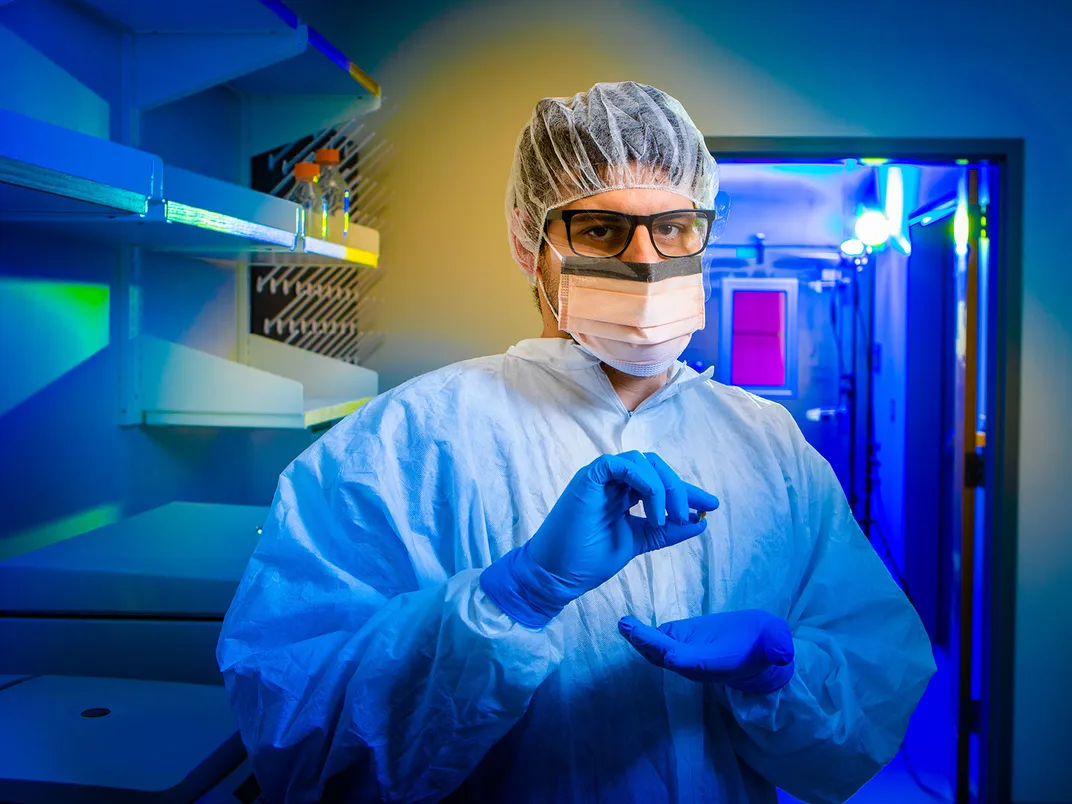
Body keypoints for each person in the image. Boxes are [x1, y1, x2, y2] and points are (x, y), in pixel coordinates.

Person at [217, 81, 936, 804]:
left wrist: (779, 674)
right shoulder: (406, 441)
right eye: (599, 231)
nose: (646, 261)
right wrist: (511, 597)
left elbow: (872, 692)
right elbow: (302, 740)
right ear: (531, 246)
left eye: (675, 227)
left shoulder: (768, 444)